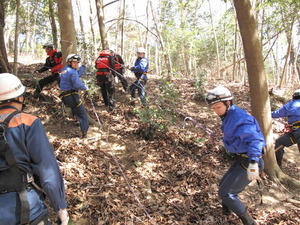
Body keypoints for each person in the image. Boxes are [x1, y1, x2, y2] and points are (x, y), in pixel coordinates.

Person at [0, 73, 69, 225]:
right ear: (19, 97)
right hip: (25, 208)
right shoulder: (28, 122)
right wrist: (60, 207)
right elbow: (47, 168)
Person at [206, 86, 265, 225]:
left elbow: (255, 140)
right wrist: (225, 142)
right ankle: (227, 211)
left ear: (228, 103)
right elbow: (236, 137)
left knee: (226, 193)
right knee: (222, 186)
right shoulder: (228, 115)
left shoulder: (240, 117)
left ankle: (249, 222)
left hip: (249, 161)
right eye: (213, 108)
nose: (216, 111)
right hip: (240, 159)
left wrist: (253, 163)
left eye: (218, 107)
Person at [59, 54, 89, 138]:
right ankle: (84, 134)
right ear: (69, 62)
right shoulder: (72, 72)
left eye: (77, 63)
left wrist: (83, 67)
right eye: (74, 62)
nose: (76, 64)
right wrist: (85, 87)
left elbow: (75, 74)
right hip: (72, 96)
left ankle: (76, 120)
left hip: (65, 98)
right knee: (83, 115)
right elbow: (77, 84)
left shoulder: (64, 70)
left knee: (75, 110)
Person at [271, 89, 300, 167]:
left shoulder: (292, 105)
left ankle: (277, 165)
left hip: (297, 133)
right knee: (280, 142)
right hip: (295, 133)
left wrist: (265, 113)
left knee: (279, 143)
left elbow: (277, 114)